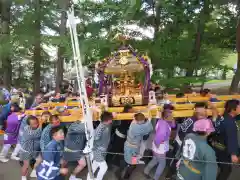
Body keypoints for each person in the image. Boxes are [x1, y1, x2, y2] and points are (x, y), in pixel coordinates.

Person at [118, 112, 153, 180]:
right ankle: (126, 177)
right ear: (138, 121)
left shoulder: (133, 122)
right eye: (142, 121)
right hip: (133, 149)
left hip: (128, 146)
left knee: (126, 160)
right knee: (133, 164)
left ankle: (119, 172)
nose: (143, 122)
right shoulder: (137, 128)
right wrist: (148, 119)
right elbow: (150, 128)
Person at [144, 106, 175, 180]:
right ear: (166, 117)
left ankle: (145, 171)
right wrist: (158, 147)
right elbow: (160, 137)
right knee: (162, 164)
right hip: (160, 146)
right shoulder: (164, 126)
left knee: (155, 160)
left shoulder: (162, 120)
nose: (172, 117)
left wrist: (172, 119)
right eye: (171, 116)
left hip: (157, 144)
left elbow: (172, 125)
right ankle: (155, 178)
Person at [212, 100, 240, 180]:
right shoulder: (229, 122)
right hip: (222, 148)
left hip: (216, 144)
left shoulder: (224, 117)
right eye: (239, 107)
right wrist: (233, 154)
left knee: (225, 169)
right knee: (226, 169)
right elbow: (231, 138)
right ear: (233, 109)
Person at [86, 111, 113, 180]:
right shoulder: (101, 127)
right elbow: (95, 138)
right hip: (98, 151)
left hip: (101, 150)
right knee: (104, 168)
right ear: (109, 120)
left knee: (94, 165)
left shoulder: (105, 124)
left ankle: (89, 178)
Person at [19, 115, 42, 180]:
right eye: (34, 124)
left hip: (35, 150)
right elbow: (36, 133)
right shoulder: (28, 130)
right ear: (29, 125)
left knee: (39, 159)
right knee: (26, 165)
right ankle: (23, 177)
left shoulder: (37, 128)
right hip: (26, 151)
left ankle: (34, 171)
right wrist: (42, 123)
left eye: (37, 122)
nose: (36, 124)